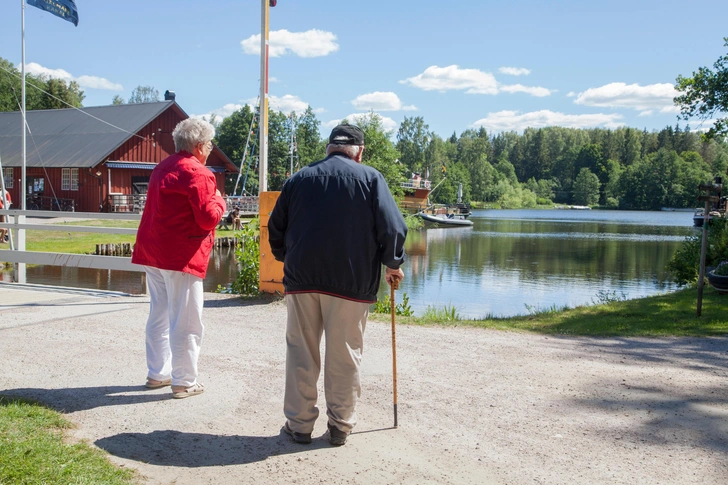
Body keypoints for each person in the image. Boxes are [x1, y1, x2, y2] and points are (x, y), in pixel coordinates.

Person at [269, 124, 408, 446]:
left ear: (329, 148)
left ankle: (299, 425)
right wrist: (393, 263)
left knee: (301, 352)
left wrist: (288, 257)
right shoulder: (371, 178)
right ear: (359, 151)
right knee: (344, 355)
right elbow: (393, 228)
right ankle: (340, 425)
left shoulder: (299, 179)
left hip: (302, 279)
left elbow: (275, 228)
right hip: (351, 282)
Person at [131, 118, 225, 399]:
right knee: (186, 320)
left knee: (159, 313)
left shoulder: (162, 167)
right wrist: (221, 200)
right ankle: (184, 381)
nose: (210, 149)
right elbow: (208, 218)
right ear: (198, 146)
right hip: (181, 255)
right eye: (209, 144)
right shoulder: (199, 173)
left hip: (153, 250)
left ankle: (157, 373)